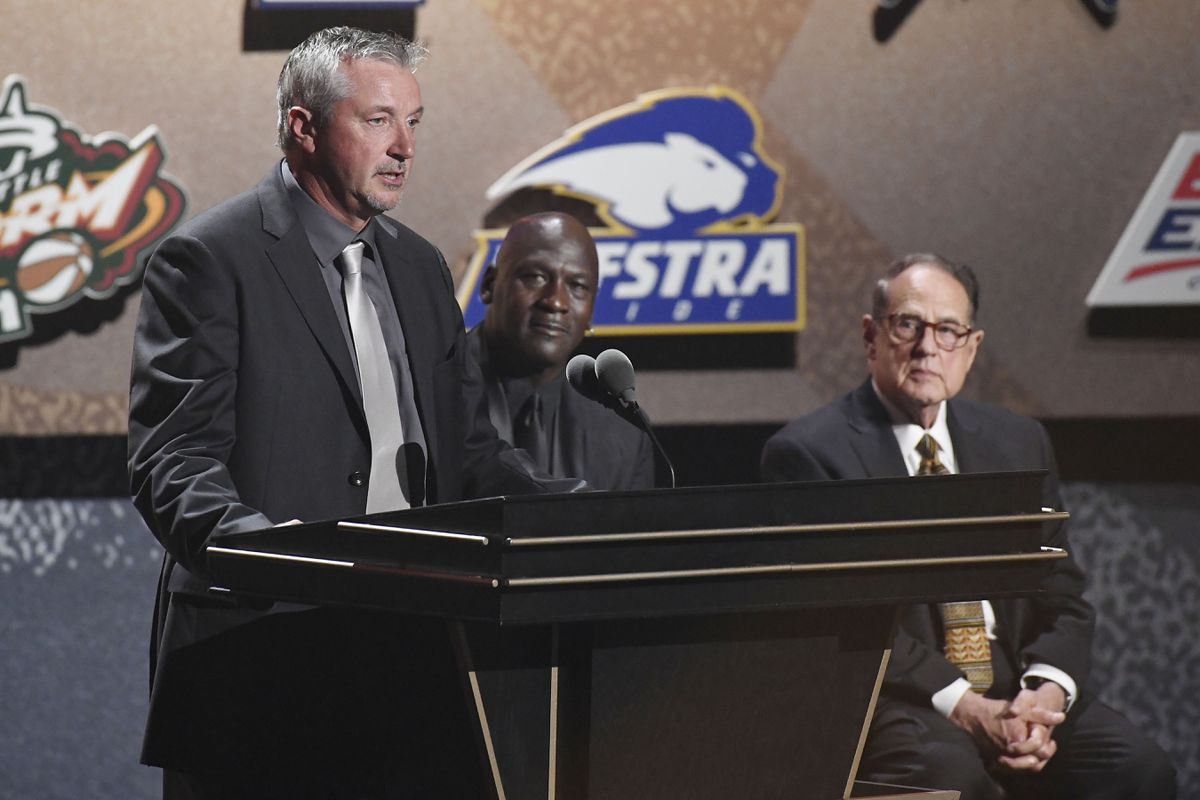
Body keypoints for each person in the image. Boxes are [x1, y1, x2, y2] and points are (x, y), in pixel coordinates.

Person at [128, 27, 577, 798]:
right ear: (303, 127)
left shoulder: (423, 269)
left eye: (414, 122)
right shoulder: (209, 261)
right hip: (261, 664)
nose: (404, 146)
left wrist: (576, 516)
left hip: (414, 668)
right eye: (378, 121)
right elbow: (173, 463)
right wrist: (284, 555)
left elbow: (467, 449)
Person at [760, 254, 1176, 799]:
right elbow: (845, 619)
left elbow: (1064, 596)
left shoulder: (1018, 443)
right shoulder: (811, 454)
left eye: (948, 330)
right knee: (954, 777)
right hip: (900, 696)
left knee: (1138, 770)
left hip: (1016, 685)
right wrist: (966, 705)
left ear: (972, 346)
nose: (928, 347)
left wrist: (1045, 693)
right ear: (871, 335)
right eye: (908, 325)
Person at [470, 212, 655, 490]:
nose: (555, 301)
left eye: (577, 286)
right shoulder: (434, 385)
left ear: (591, 310)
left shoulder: (625, 432)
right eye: (535, 277)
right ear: (489, 285)